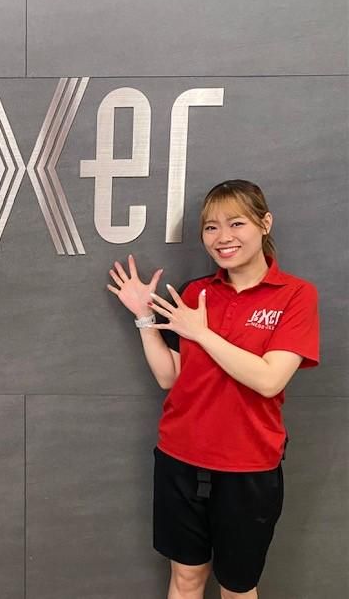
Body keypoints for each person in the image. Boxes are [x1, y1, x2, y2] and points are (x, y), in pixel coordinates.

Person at [107, 180, 319, 599]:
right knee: (185, 580)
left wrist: (201, 334)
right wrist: (145, 318)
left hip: (248, 468)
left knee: (237, 588)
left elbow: (269, 379)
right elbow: (171, 377)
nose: (223, 237)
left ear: (265, 223)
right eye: (211, 227)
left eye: (236, 223)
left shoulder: (296, 295)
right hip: (180, 459)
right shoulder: (196, 292)